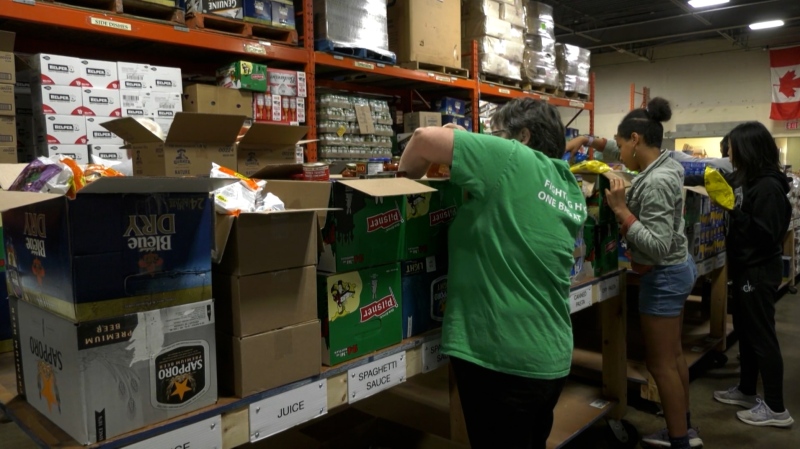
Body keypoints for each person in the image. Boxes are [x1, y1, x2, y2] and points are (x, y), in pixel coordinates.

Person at [398, 98, 586, 449]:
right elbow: (510, 209)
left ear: (524, 136)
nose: (493, 141)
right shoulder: (564, 183)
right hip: (549, 354)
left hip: (501, 358)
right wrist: (467, 143)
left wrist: (399, 183)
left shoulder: (512, 158)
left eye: (497, 134)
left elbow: (423, 139)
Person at [590, 98, 700, 449]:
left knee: (660, 365)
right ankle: (682, 427)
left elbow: (654, 246)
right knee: (674, 357)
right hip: (679, 269)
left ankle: (679, 441)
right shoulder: (667, 165)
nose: (619, 153)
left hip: (663, 275)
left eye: (621, 145)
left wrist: (622, 211)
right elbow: (628, 155)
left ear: (635, 139)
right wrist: (592, 143)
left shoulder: (654, 183)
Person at [712, 122, 794, 428]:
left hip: (759, 270)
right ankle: (747, 390)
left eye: (732, 147)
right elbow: (722, 179)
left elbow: (765, 234)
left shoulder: (769, 187)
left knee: (762, 336)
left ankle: (776, 408)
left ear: (747, 148)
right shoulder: (749, 178)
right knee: (746, 332)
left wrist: (733, 209)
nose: (729, 152)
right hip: (746, 267)